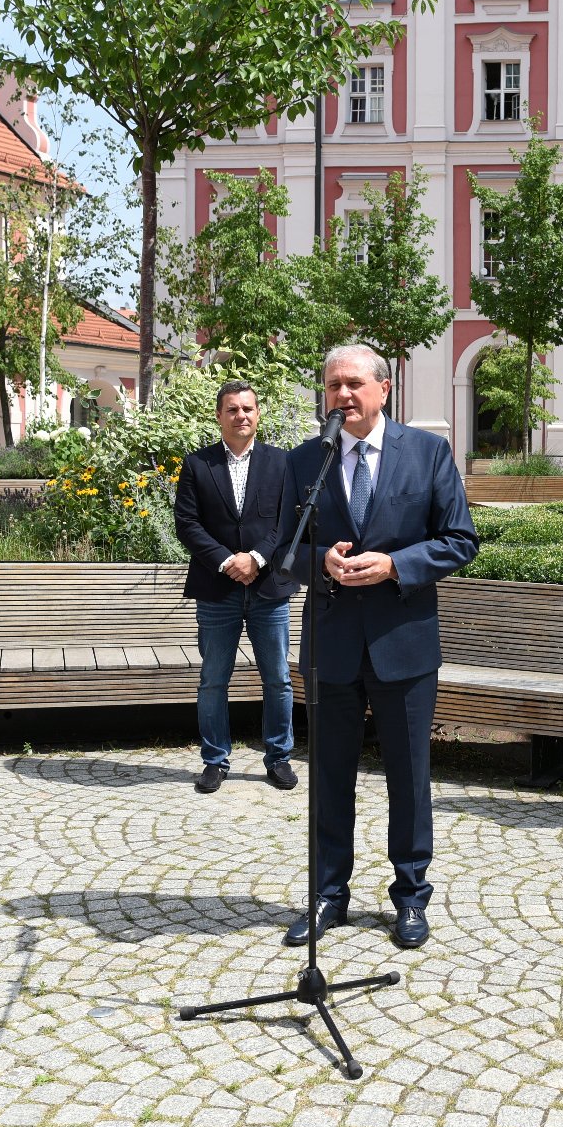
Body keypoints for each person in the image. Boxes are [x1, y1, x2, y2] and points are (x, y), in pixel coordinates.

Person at [277, 345, 478, 950]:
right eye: (333, 385)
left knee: (409, 777)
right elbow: (283, 550)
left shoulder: (427, 452)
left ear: (384, 389)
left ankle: (411, 896)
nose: (342, 395)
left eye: (353, 384)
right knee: (328, 777)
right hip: (332, 644)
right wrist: (322, 562)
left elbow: (459, 540)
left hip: (404, 643)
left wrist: (395, 564)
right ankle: (327, 895)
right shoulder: (303, 461)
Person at [174, 380, 299, 794]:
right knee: (213, 679)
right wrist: (229, 561)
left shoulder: (283, 464)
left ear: (257, 414)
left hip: (268, 589)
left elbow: (287, 522)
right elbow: (187, 524)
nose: (241, 415)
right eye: (232, 409)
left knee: (278, 678)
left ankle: (279, 757)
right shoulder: (197, 465)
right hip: (217, 589)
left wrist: (256, 558)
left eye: (248, 408)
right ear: (219, 416)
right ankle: (214, 760)